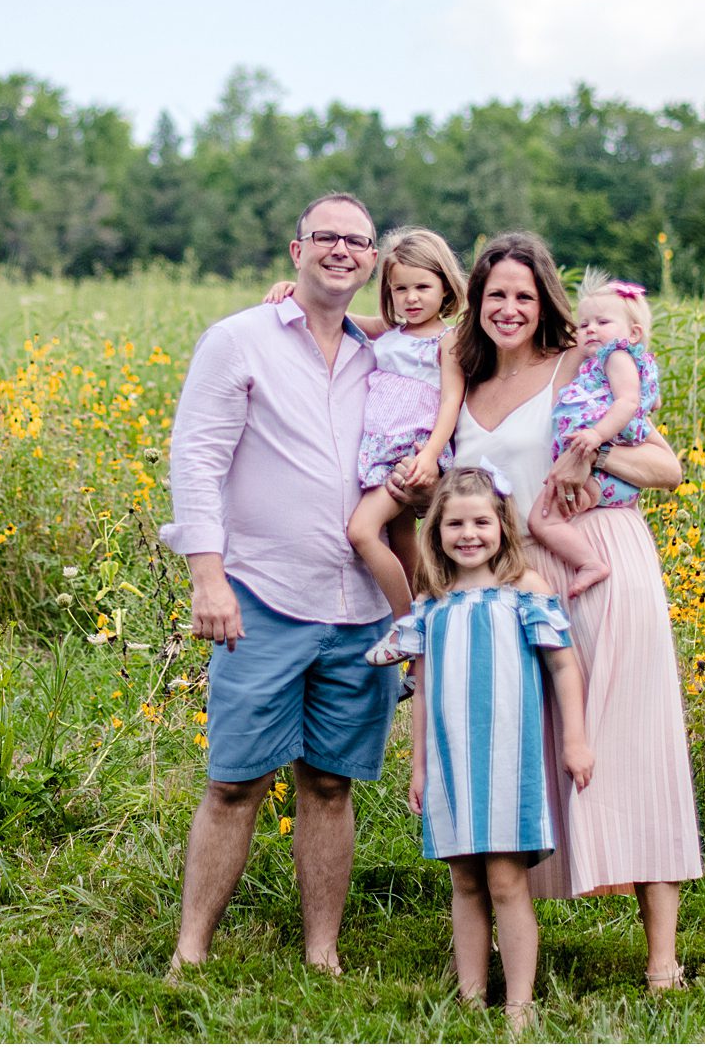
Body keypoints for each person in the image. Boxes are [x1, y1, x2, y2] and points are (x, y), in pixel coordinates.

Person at [160, 192, 418, 976]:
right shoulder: (239, 339)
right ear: (296, 247)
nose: (342, 250)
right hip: (262, 597)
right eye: (327, 237)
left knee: (331, 784)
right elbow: (197, 457)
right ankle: (190, 951)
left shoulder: (390, 353)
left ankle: (322, 953)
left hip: (362, 610)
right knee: (235, 782)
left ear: (373, 260)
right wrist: (209, 577)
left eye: (358, 241)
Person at [442, 232, 699, 993]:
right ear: (477, 304)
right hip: (516, 580)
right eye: (495, 296)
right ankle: (513, 949)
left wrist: (589, 453)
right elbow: (394, 319)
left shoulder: (580, 368)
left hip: (602, 562)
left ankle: (661, 961)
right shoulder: (466, 375)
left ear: (545, 299)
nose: (510, 308)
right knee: (541, 753)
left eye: (524, 295)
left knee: (630, 743)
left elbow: (667, 466)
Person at [395, 465, 591, 1031]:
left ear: (501, 525)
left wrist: (575, 739)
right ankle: (470, 994)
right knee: (464, 879)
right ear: (437, 533)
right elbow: (425, 688)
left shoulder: (524, 590)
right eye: (454, 523)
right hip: (453, 760)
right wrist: (420, 765)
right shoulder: (432, 600)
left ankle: (520, 1004)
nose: (469, 533)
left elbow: (563, 664)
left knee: (506, 878)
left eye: (481, 520)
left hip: (509, 756)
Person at [339, 228, 466, 653]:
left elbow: (451, 399)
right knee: (401, 539)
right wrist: (293, 297)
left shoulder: (446, 339)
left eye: (422, 287)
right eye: (401, 289)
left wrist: (430, 455)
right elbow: (342, 318)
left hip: (410, 451)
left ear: (445, 286)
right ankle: (423, 626)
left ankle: (404, 625)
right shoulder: (390, 333)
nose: (411, 298)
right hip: (379, 447)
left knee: (361, 532)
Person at [523, 271, 663, 598]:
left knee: (541, 520)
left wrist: (595, 436)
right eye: (584, 324)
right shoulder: (604, 363)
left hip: (600, 466)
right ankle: (587, 558)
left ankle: (590, 563)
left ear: (634, 333)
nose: (591, 330)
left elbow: (628, 401)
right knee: (564, 508)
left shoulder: (616, 355)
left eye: (602, 322)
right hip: (600, 476)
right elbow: (644, 397)